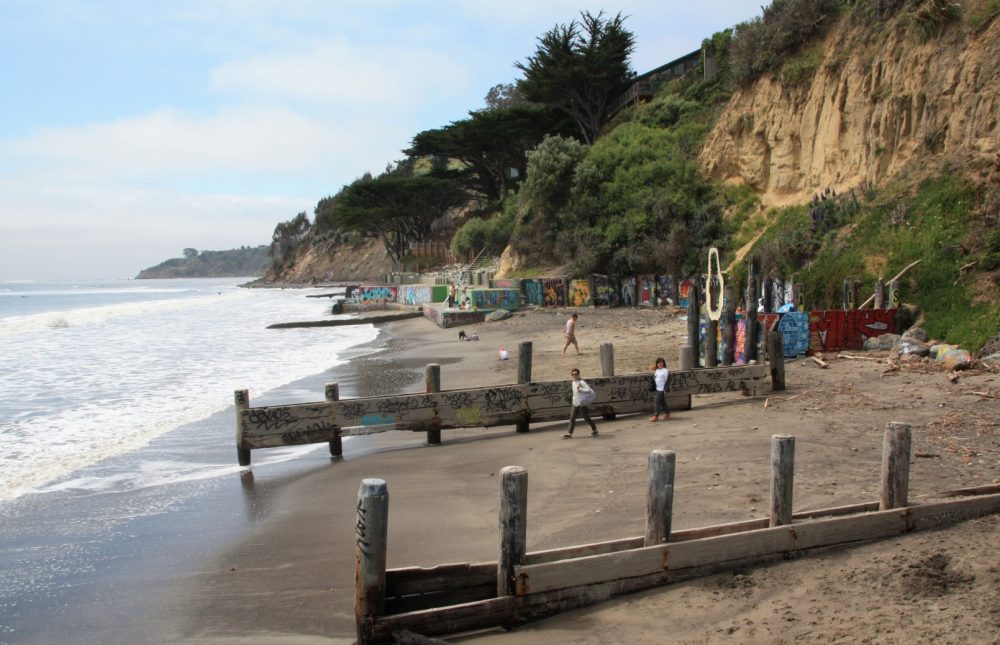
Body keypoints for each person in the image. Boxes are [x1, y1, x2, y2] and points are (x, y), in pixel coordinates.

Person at [562, 368, 598, 438]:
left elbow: (589, 390)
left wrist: (580, 389)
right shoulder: (573, 382)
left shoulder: (582, 382)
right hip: (575, 403)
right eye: (573, 374)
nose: (574, 376)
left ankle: (595, 430)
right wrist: (573, 400)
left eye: (576, 374)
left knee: (586, 418)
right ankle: (569, 434)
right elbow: (575, 394)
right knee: (572, 418)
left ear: (578, 374)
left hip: (582, 403)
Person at [650, 357, 671, 422]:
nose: (660, 364)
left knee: (656, 402)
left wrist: (665, 389)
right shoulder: (656, 371)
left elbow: (667, 381)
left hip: (661, 390)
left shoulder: (665, 371)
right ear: (657, 364)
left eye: (661, 362)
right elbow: (655, 379)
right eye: (658, 363)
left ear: (664, 363)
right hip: (657, 389)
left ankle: (655, 416)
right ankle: (667, 414)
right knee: (662, 402)